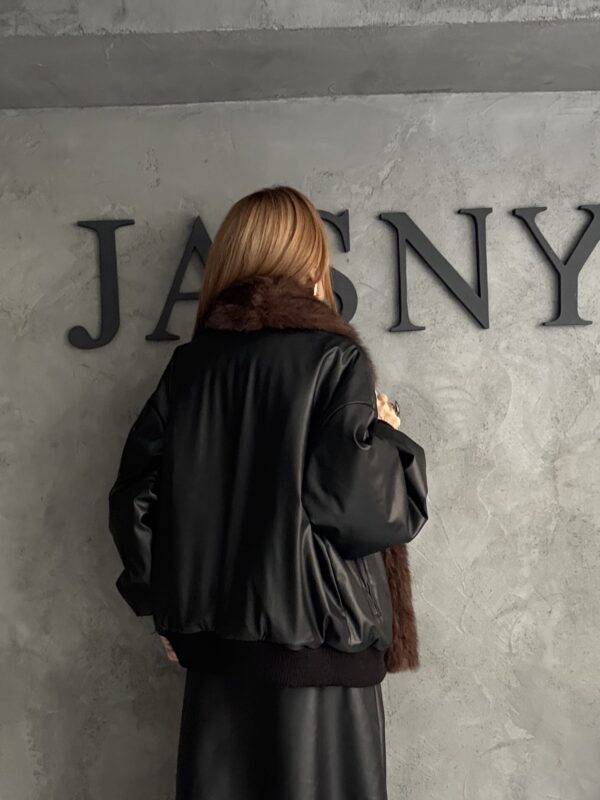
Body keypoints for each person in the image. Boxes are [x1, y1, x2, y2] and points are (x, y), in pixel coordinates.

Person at [107, 185, 429, 800]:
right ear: (310, 263)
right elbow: (365, 513)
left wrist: (164, 609)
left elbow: (134, 499)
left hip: (219, 659)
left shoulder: (190, 367)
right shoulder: (334, 359)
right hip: (324, 658)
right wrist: (388, 436)